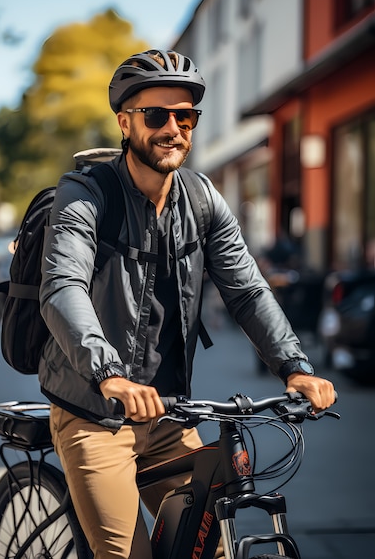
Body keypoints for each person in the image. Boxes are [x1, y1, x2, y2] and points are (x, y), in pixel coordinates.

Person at [39, 49, 335, 558]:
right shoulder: (86, 194)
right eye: (156, 115)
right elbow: (62, 286)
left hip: (170, 415)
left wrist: (294, 366)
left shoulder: (201, 199)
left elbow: (246, 290)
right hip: (96, 412)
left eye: (185, 116)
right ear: (125, 123)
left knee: (211, 549)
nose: (172, 128)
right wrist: (109, 373)